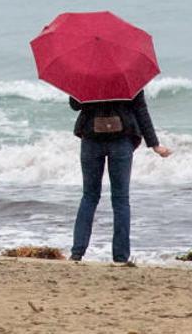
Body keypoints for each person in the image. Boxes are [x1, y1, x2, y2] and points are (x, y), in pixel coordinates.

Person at [69, 91, 171, 263]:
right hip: (121, 140)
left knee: (89, 196)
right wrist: (154, 144)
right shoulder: (128, 74)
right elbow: (140, 110)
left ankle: (77, 253)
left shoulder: (87, 72)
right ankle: (121, 257)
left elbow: (75, 105)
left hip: (91, 139)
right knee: (121, 199)